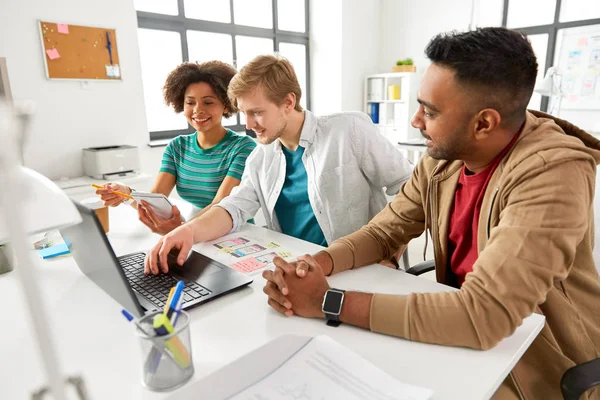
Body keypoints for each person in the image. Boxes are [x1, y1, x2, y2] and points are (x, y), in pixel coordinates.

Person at [262, 28, 600, 400]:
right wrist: (315, 265)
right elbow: (382, 234)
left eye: (431, 111)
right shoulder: (443, 159)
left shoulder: (553, 173)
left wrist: (328, 301)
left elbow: (482, 316)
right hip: (452, 334)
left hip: (535, 359)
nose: (416, 121)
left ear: (484, 123)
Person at [144, 54, 413, 274]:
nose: (248, 125)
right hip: (299, 271)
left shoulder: (348, 130)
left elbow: (411, 190)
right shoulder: (260, 158)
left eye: (256, 112)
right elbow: (233, 208)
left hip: (359, 268)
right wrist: (188, 231)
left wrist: (390, 256)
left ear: (288, 102)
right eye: (245, 113)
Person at [96, 61, 256, 235]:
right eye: (190, 102)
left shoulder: (243, 147)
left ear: (226, 104)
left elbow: (220, 204)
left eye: (208, 102)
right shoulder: (177, 147)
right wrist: (125, 194)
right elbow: (155, 199)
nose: (198, 110)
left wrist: (180, 231)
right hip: (192, 231)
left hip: (235, 233)